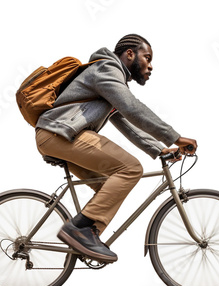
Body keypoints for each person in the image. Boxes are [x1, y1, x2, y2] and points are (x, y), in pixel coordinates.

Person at [35, 34, 197, 263]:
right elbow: (132, 108)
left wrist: (158, 149)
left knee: (108, 188)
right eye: (147, 58)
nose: (150, 66)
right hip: (59, 134)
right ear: (130, 54)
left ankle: (87, 237)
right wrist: (175, 137)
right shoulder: (107, 69)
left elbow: (125, 120)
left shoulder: (109, 82)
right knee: (130, 169)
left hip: (58, 136)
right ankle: (78, 229)